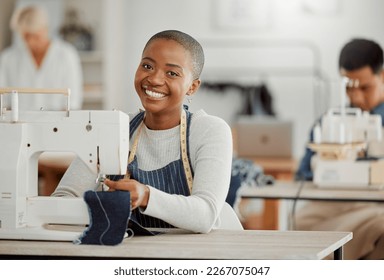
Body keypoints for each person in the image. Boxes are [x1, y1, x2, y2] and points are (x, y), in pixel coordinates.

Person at [52, 30, 241, 234]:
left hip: (208, 253)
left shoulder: (210, 130)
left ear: (192, 87)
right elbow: (63, 199)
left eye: (172, 73)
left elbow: (205, 215)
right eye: (147, 66)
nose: (154, 79)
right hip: (137, 251)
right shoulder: (110, 130)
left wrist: (146, 196)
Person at [295, 38, 384, 259]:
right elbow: (304, 173)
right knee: (298, 222)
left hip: (377, 204)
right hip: (334, 205)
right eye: (348, 88)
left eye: (365, 87)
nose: (356, 96)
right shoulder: (328, 123)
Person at [0, 5, 83, 110]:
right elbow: (3, 102)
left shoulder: (67, 55)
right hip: (18, 123)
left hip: (57, 124)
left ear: (45, 29)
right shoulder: (7, 58)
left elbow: (73, 101)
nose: (30, 42)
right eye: (26, 36)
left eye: (35, 36)